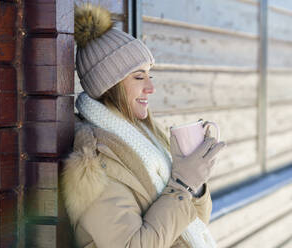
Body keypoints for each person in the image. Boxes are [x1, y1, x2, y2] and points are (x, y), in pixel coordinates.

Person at [62, 3, 226, 248]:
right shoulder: (94, 161)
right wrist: (181, 184)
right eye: (139, 77)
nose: (151, 87)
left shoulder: (146, 138)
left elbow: (194, 225)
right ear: (110, 86)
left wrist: (196, 182)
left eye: (150, 75)